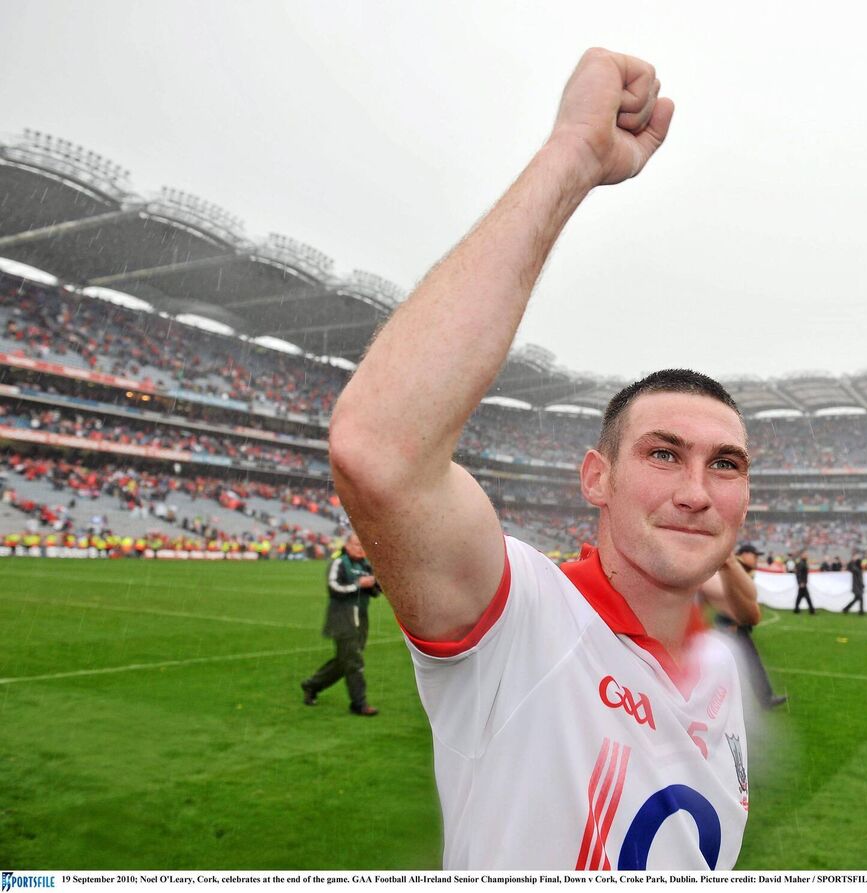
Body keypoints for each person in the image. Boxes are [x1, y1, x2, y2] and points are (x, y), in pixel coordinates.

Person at [330, 49, 752, 870]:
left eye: (726, 464)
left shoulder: (717, 675)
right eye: (664, 454)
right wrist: (573, 156)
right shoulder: (526, 619)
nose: (697, 491)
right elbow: (378, 451)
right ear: (596, 476)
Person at [300, 533, 380, 716]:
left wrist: (377, 583)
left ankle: (311, 685)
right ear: (347, 545)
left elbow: (375, 592)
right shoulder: (340, 563)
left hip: (361, 618)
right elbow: (334, 588)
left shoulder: (365, 565)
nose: (360, 548)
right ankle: (359, 704)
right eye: (356, 544)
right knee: (354, 662)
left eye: (362, 545)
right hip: (342, 619)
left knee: (345, 661)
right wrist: (358, 584)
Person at [711, 544, 787, 709]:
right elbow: (726, 596)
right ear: (744, 554)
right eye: (754, 555)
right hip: (731, 627)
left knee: (744, 664)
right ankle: (763, 699)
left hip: (736, 626)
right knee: (746, 664)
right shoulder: (732, 567)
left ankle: (763, 699)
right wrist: (729, 622)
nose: (757, 559)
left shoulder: (740, 568)